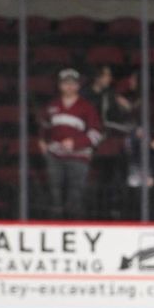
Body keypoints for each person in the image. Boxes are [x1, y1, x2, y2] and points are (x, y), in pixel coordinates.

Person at [40, 68, 103, 219]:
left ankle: (75, 226)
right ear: (59, 85)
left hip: (78, 158)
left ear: (78, 86)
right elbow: (45, 128)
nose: (69, 86)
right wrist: (42, 141)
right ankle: (55, 226)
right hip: (55, 157)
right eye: (65, 83)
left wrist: (76, 143)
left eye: (72, 83)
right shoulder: (52, 106)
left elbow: (96, 134)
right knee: (54, 195)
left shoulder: (87, 107)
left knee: (75, 196)